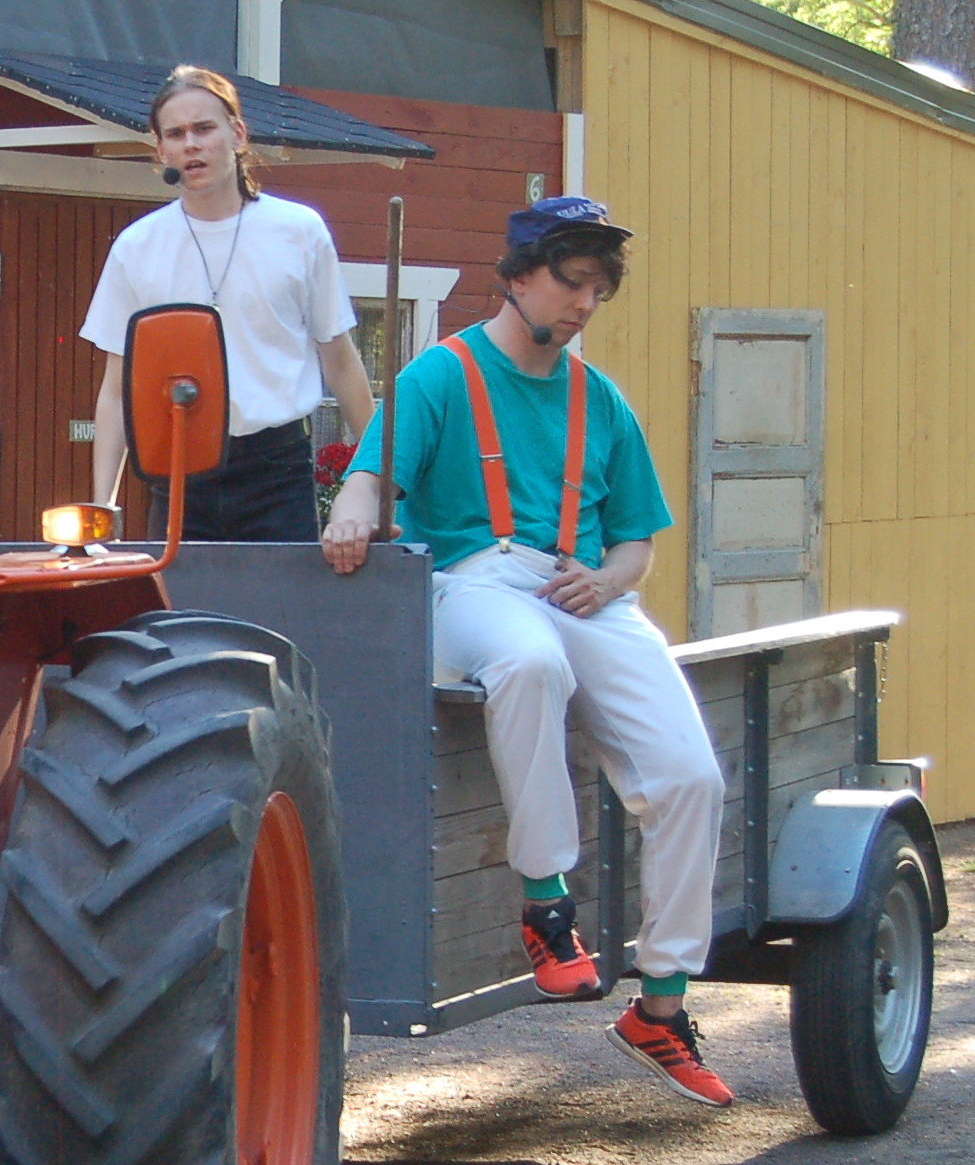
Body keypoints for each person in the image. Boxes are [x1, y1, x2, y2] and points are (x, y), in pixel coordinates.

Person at [319, 196, 734, 1106]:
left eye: (598, 287)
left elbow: (636, 542)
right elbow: (371, 477)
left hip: (585, 592)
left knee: (690, 778)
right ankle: (546, 909)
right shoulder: (439, 375)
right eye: (570, 280)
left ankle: (659, 1006)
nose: (585, 302)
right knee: (528, 664)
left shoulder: (600, 398)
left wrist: (611, 582)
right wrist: (351, 515)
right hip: (478, 582)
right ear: (517, 277)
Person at [80, 65, 375, 542]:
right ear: (161, 150)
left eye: (204, 128)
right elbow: (117, 389)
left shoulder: (299, 232)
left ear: (237, 134)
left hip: (276, 472)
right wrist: (102, 509)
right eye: (175, 134)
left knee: (277, 615)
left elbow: (340, 362)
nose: (191, 144)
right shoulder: (137, 247)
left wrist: (377, 480)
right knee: (179, 614)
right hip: (178, 475)